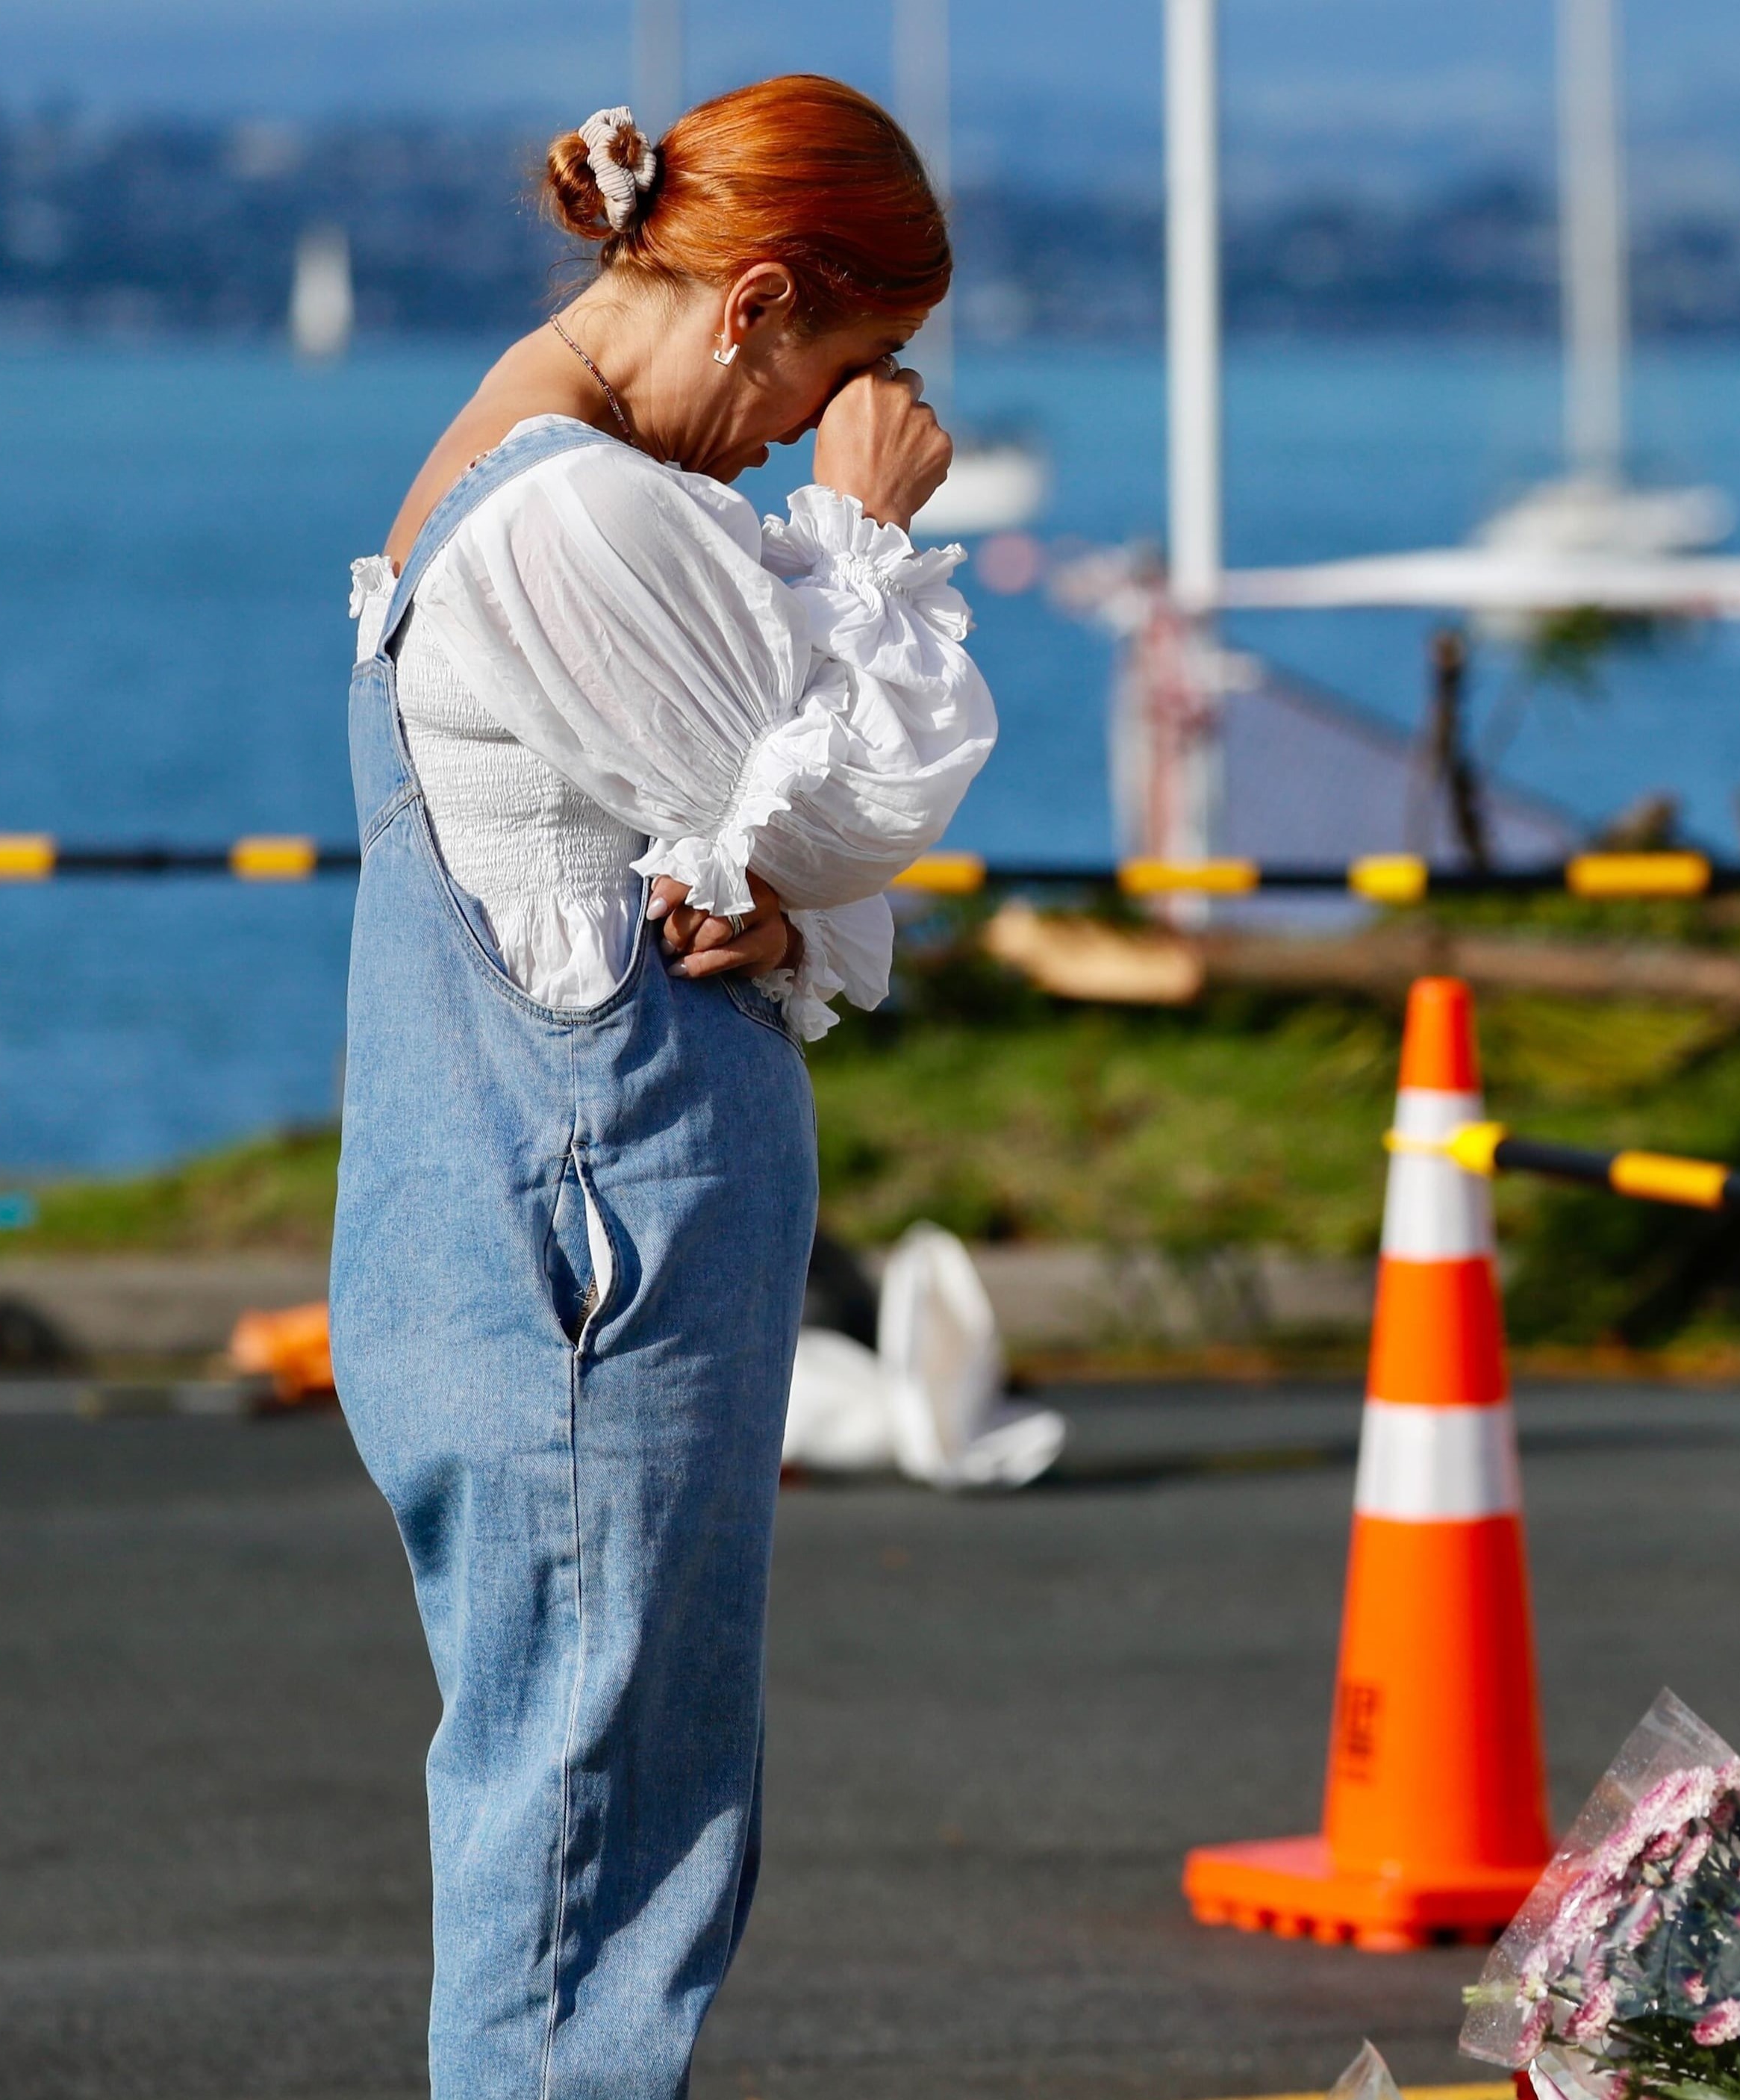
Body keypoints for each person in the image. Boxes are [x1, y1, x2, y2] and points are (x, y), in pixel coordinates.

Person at [331, 76, 992, 2095]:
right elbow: (875, 788)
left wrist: (788, 912)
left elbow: (782, 854)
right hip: (588, 1263)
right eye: (843, 366)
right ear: (757, 297)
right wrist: (868, 540)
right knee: (595, 1827)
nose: (818, 427)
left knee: (595, 1787)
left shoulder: (541, 484)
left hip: (551, 1240)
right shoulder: (573, 510)